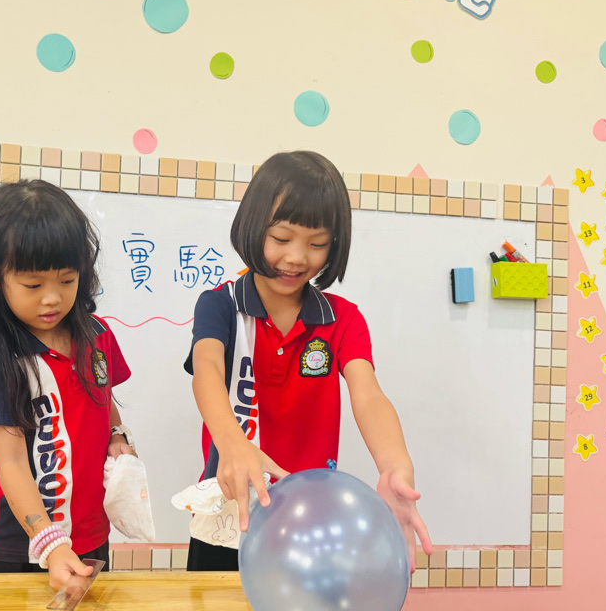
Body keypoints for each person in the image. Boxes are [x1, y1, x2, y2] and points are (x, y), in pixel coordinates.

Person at [185, 151, 433, 571]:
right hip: (229, 510)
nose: (298, 257)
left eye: (317, 244)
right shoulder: (220, 305)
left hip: (310, 521)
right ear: (252, 227)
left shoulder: (342, 318)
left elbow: (369, 396)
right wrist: (233, 442)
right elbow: (206, 369)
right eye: (282, 238)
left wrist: (395, 464)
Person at [0, 180, 136, 592]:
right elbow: (11, 462)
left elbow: (103, 400)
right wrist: (50, 544)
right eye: (33, 285)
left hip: (88, 536)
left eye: (67, 281)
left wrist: (118, 435)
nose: (52, 298)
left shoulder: (97, 336)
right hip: (17, 546)